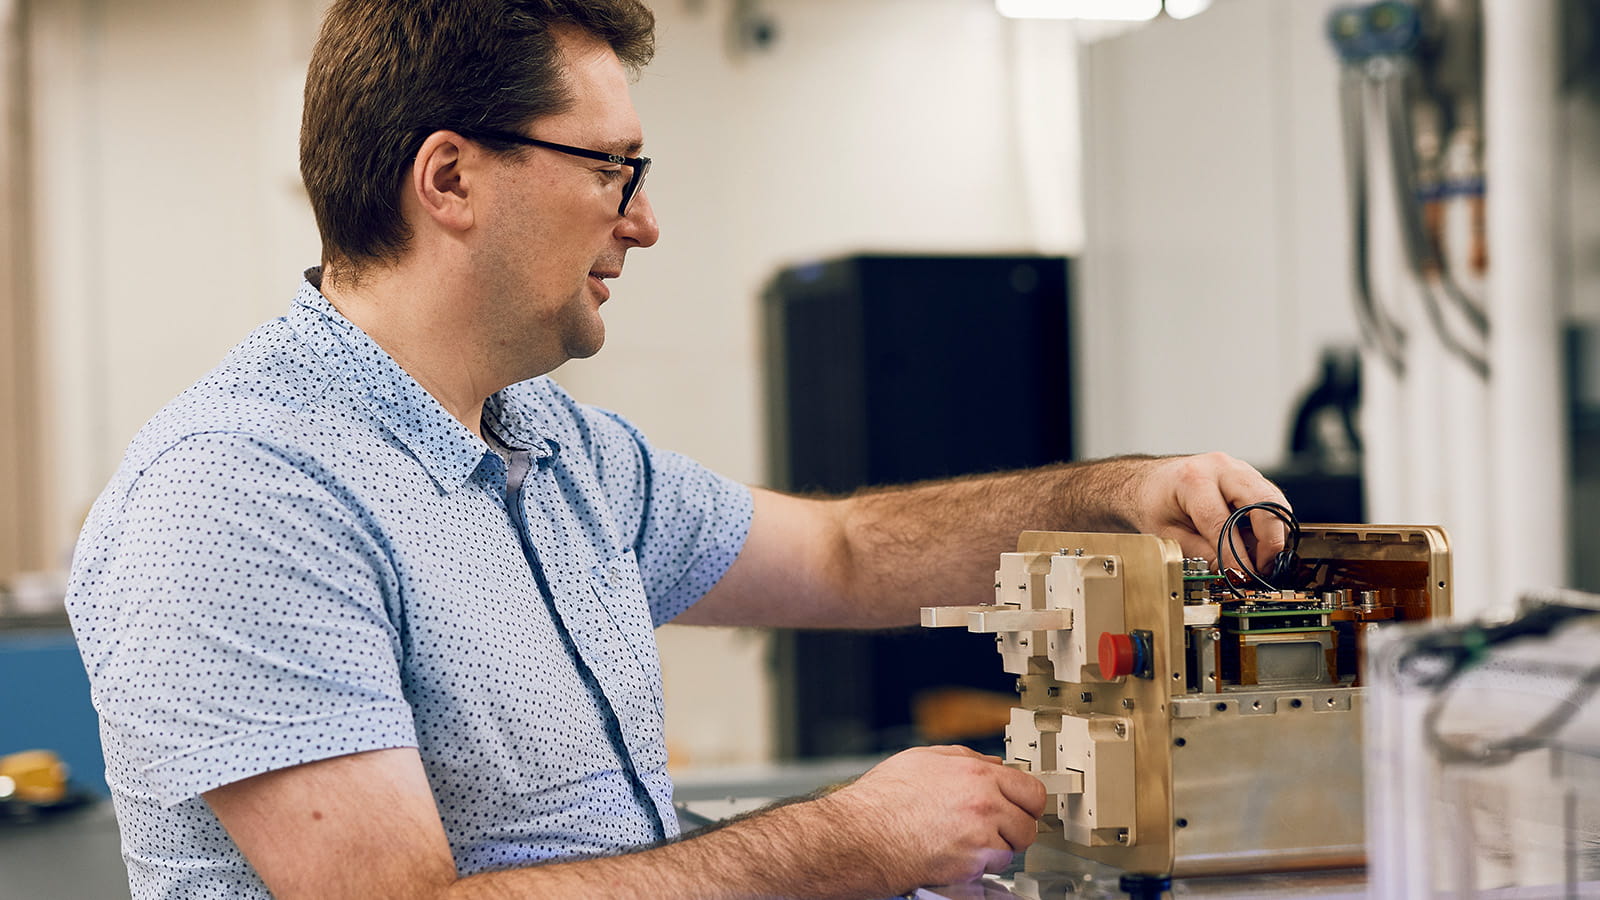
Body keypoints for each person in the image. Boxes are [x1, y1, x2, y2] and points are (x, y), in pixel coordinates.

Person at [65, 1, 1290, 897]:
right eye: (610, 168)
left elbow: (851, 553)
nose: (643, 220)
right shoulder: (239, 497)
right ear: (449, 180)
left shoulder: (557, 451)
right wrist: (843, 846)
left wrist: (1122, 498)